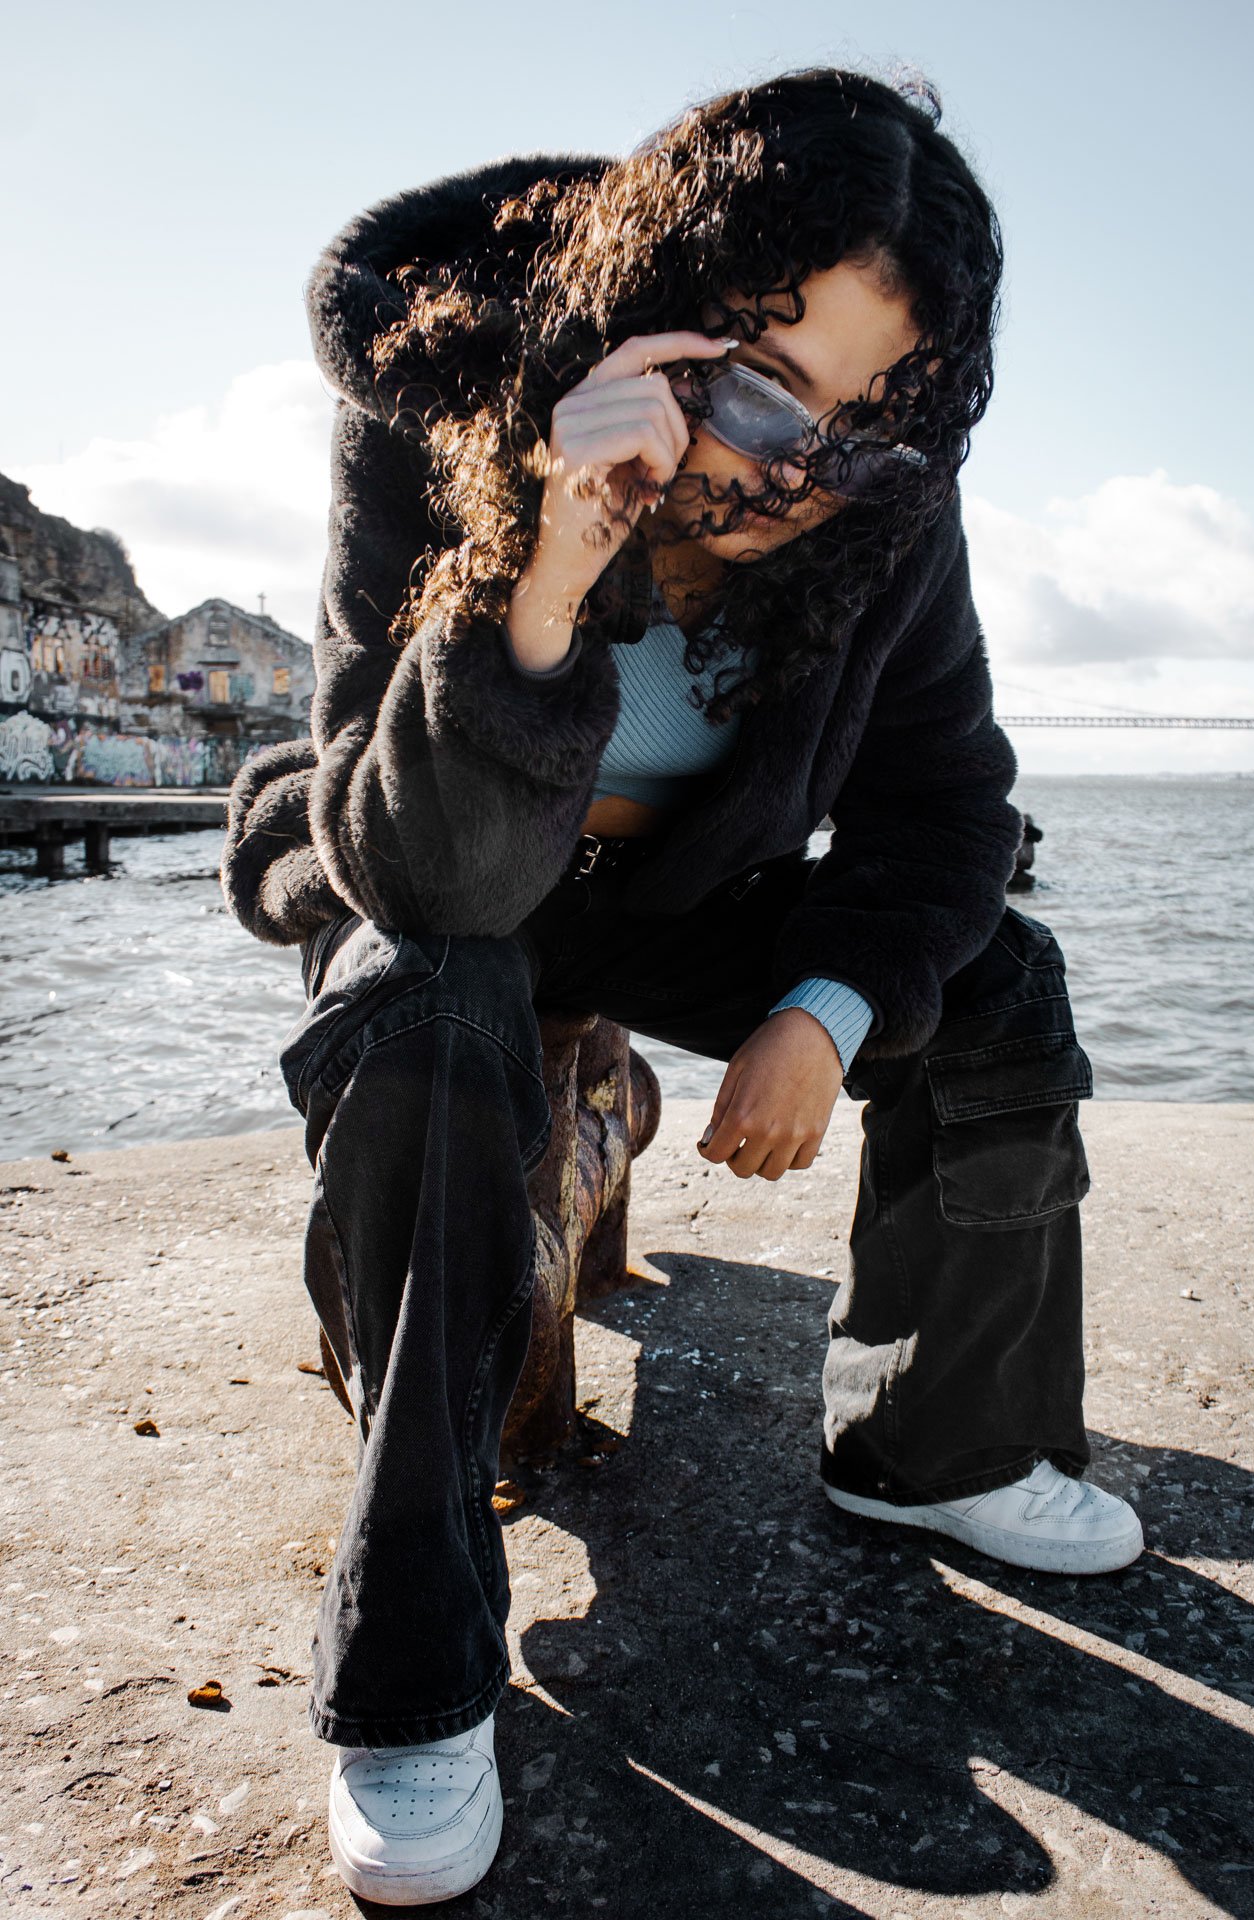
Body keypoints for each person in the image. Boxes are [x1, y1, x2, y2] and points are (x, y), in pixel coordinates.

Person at [220, 67, 1142, 1906]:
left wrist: (826, 1010)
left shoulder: (879, 514)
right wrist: (555, 558)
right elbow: (433, 870)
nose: (796, 465)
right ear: (664, 292)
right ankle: (412, 1672)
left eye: (870, 422)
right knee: (431, 1006)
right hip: (423, 848)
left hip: (671, 891)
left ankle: (930, 1441)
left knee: (999, 982)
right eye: (764, 380)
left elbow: (949, 807)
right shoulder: (439, 409)